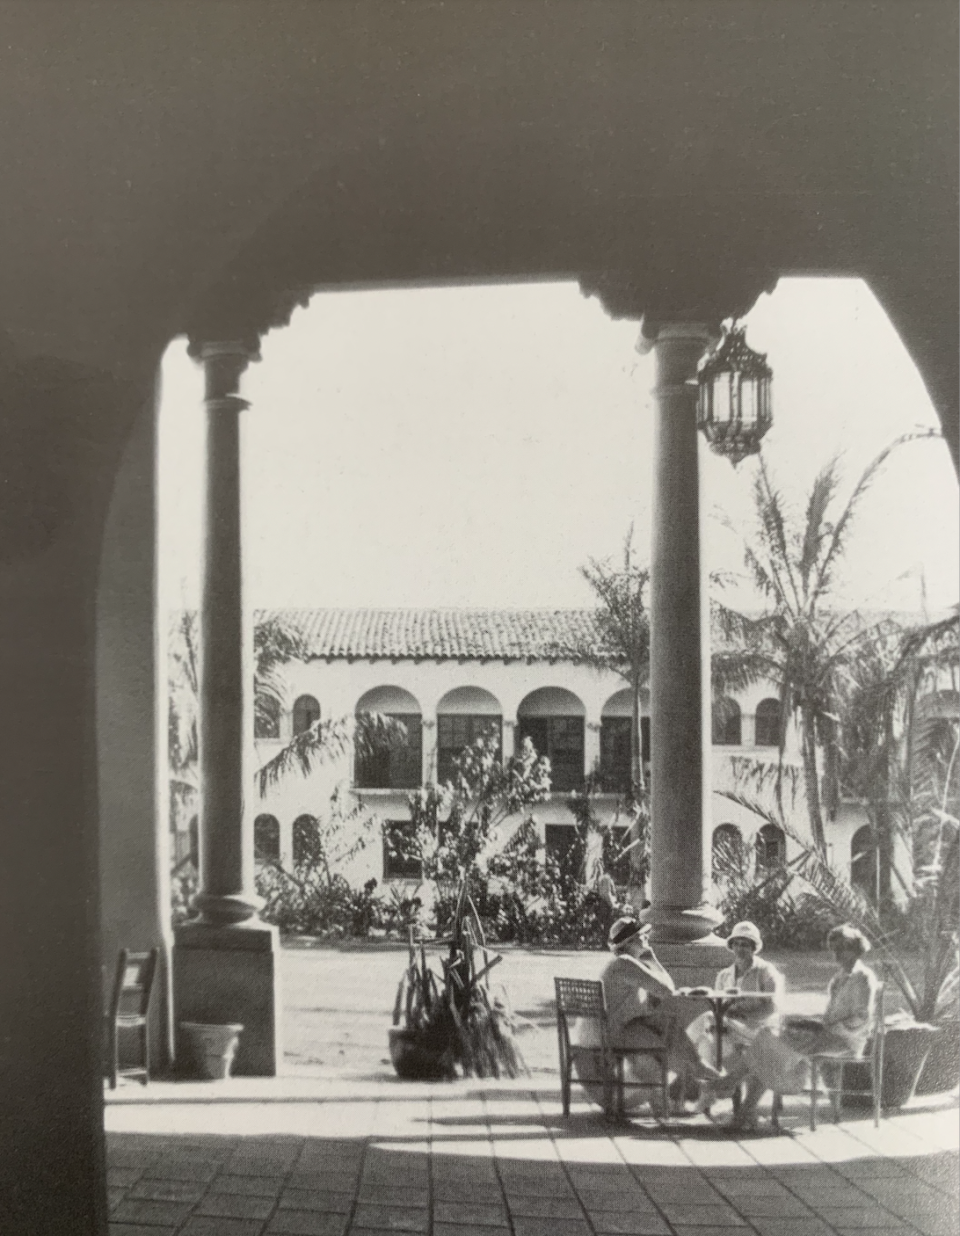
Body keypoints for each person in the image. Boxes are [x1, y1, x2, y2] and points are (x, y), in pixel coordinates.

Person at [704, 922, 879, 1130]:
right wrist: (814, 1024)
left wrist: (828, 1029)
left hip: (846, 1040)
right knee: (769, 1042)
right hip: (827, 1036)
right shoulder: (839, 978)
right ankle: (742, 1108)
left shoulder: (864, 978)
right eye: (835, 949)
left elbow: (860, 1018)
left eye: (841, 949)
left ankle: (732, 1086)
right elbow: (832, 1015)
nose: (836, 955)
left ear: (854, 950)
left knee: (770, 1047)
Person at [575, 916, 723, 1114]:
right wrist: (652, 958)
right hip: (608, 1036)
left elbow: (651, 997)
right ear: (633, 941)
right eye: (643, 935)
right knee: (666, 1037)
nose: (647, 938)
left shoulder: (621, 964)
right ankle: (696, 1075)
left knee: (666, 1023)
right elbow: (667, 989)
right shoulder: (626, 963)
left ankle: (694, 1072)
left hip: (607, 1031)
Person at [686, 921, 783, 1071]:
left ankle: (685, 1052)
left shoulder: (766, 971)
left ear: (753, 947)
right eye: (736, 944)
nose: (740, 949)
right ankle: (709, 1083)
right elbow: (719, 1005)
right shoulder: (724, 975)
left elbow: (772, 1008)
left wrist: (741, 1014)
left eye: (744, 944)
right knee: (707, 1041)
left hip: (758, 1029)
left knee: (708, 1019)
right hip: (729, 1028)